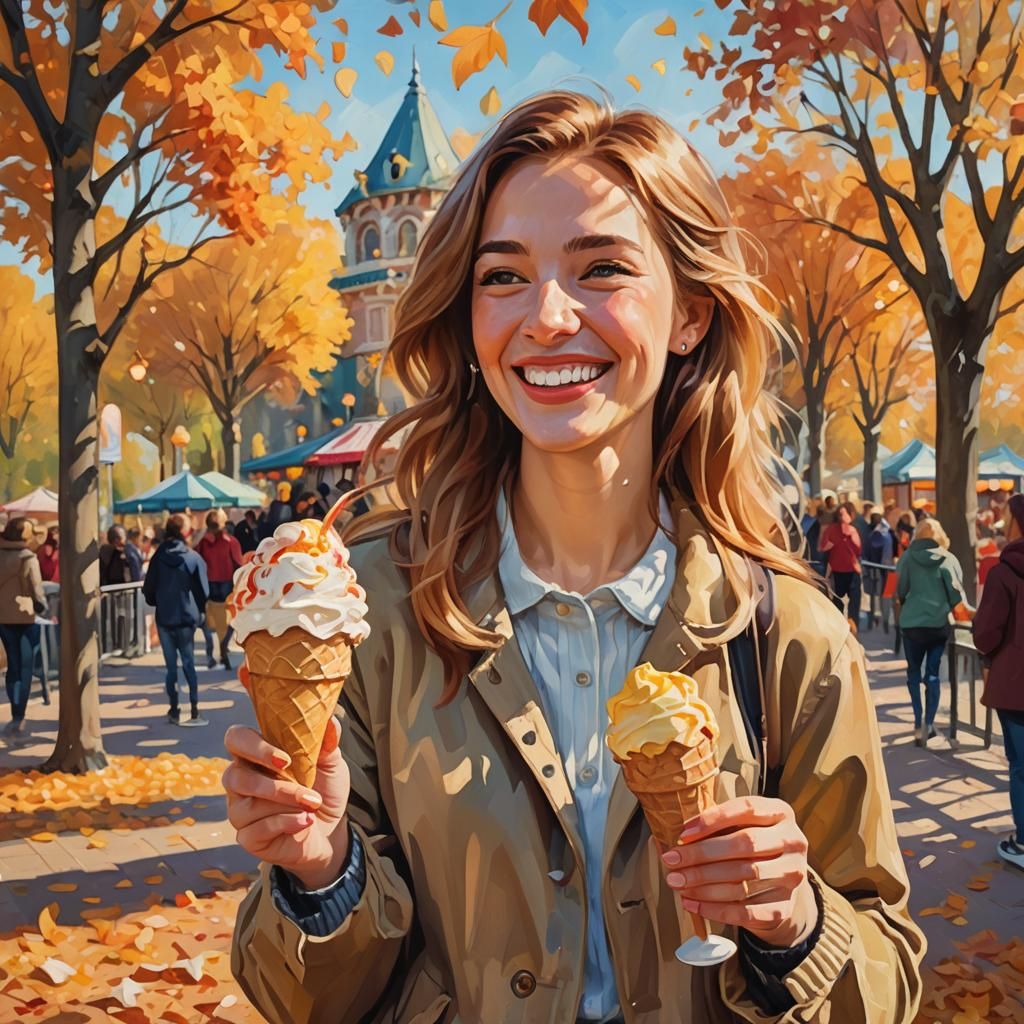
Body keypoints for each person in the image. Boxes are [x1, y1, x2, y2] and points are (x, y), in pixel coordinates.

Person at [225, 93, 924, 1023]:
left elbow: (889, 979)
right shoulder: (369, 609)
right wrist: (322, 876)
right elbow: (303, 1001)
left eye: (602, 268)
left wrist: (794, 924)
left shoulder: (792, 634)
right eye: (503, 276)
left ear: (691, 314)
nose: (549, 317)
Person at [973, 493, 1024, 869]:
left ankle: (1023, 843)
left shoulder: (1004, 572)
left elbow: (986, 633)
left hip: (1016, 683)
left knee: (1021, 764)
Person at [895, 517, 969, 747]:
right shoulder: (948, 559)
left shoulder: (907, 558)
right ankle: (929, 723)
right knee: (933, 675)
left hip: (912, 625)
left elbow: (901, 590)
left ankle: (917, 724)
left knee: (913, 674)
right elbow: (956, 596)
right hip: (937, 626)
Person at [142, 513, 210, 727]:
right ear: (185, 532)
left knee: (171, 668)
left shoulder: (157, 558)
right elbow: (203, 591)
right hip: (187, 617)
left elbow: (149, 591)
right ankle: (195, 709)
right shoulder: (192, 557)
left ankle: (173, 709)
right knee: (189, 664)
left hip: (165, 617)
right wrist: (198, 609)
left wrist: (160, 600)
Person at [0, 518, 46, 735]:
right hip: (25, 616)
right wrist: (42, 606)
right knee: (25, 668)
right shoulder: (28, 558)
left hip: (3, 616)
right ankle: (20, 714)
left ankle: (14, 709)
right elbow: (36, 589)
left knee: (12, 665)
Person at [195, 509, 243, 670]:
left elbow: (197, 560)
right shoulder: (231, 541)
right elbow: (239, 563)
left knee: (210, 622)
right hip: (226, 583)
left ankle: (212, 654)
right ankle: (223, 648)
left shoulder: (202, 542)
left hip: (208, 584)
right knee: (228, 619)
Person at [818, 504, 863, 632]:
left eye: (844, 513)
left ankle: (853, 631)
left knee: (854, 605)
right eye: (840, 514)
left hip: (852, 571)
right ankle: (838, 630)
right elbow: (823, 546)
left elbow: (859, 550)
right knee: (837, 602)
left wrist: (850, 535)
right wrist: (834, 542)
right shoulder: (832, 529)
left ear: (851, 514)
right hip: (837, 571)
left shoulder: (854, 529)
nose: (842, 516)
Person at [864, 506, 896, 632]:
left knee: (876, 596)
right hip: (890, 570)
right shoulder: (890, 532)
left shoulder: (873, 534)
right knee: (885, 597)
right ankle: (885, 623)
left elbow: (867, 550)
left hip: (877, 570)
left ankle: (876, 622)